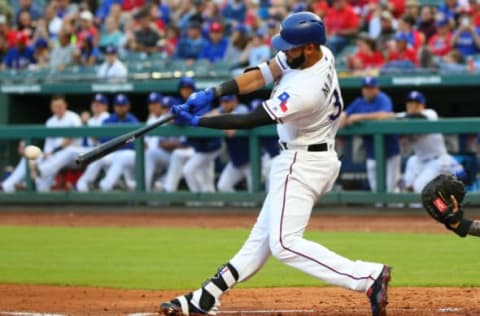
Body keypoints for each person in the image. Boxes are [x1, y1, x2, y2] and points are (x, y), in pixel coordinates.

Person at [160, 11, 391, 316]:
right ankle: (207, 296)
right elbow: (261, 74)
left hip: (302, 159)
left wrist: (199, 121)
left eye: (290, 47)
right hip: (309, 156)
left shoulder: (305, 91)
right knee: (262, 239)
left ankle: (368, 277)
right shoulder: (320, 54)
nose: (283, 52)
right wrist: (214, 92)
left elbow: (250, 120)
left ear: (309, 47)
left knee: (284, 243)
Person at [1, 95, 82, 192]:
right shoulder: (50, 121)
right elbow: (48, 146)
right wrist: (45, 154)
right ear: (51, 107)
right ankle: (7, 186)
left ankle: (33, 179)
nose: (58, 109)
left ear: (65, 105)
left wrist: (52, 153)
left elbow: (69, 140)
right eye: (55, 106)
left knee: (60, 156)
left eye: (60, 106)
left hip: (75, 156)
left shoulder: (73, 117)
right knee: (30, 157)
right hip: (54, 157)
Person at [32, 94, 110, 190]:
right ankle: (38, 187)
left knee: (70, 150)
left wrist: (85, 123)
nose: (96, 107)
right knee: (37, 158)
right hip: (79, 153)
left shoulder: (106, 117)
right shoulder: (91, 119)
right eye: (95, 104)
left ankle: (42, 170)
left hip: (94, 153)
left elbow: (99, 138)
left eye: (99, 104)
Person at [339, 77, 401, 193]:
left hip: (390, 150)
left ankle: (395, 208)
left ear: (377, 89)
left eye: (371, 88)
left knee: (391, 187)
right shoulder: (359, 102)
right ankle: (380, 208)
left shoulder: (383, 99)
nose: (368, 91)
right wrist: (343, 117)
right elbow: (345, 114)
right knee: (375, 187)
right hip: (372, 151)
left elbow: (385, 115)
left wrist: (358, 116)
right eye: (366, 88)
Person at [395, 91, 465, 192]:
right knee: (406, 184)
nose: (413, 106)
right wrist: (394, 116)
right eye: (410, 103)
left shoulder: (430, 113)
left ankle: (421, 206)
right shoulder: (403, 116)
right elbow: (386, 117)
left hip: (437, 160)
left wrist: (398, 117)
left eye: (416, 104)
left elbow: (416, 118)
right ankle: (408, 205)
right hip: (419, 160)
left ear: (423, 105)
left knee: (419, 188)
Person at [76, 94, 139, 192]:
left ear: (128, 106)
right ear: (114, 107)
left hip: (129, 153)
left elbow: (133, 143)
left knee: (121, 158)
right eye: (118, 105)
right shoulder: (108, 120)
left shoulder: (133, 120)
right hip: (114, 152)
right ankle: (82, 186)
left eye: (123, 105)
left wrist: (114, 140)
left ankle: (104, 186)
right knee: (97, 156)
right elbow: (103, 140)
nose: (120, 108)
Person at [213, 95, 252, 192]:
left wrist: (222, 121)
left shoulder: (242, 108)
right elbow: (209, 115)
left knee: (255, 189)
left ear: (235, 101)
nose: (225, 104)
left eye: (228, 101)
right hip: (236, 162)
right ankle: (240, 205)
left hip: (252, 161)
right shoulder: (223, 111)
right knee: (223, 186)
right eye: (223, 102)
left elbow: (237, 118)